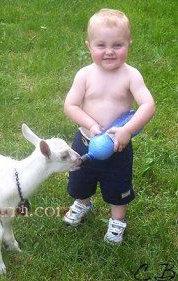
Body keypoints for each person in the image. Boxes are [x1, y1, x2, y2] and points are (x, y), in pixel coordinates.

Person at [63, 8, 155, 244]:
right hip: (85, 143)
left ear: (129, 44)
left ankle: (117, 221)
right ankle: (82, 203)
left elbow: (147, 104)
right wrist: (91, 124)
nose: (109, 52)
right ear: (88, 45)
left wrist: (127, 130)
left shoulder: (131, 75)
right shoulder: (84, 75)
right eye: (101, 45)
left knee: (117, 186)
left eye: (117, 45)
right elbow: (71, 105)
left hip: (118, 147)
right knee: (81, 180)